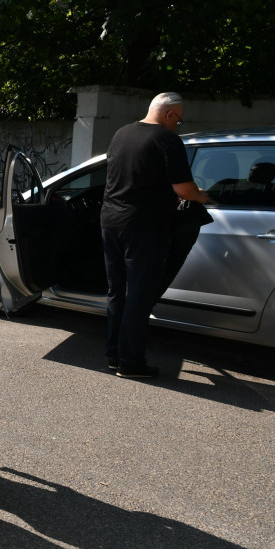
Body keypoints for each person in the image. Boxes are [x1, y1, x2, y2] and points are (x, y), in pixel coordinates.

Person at [101, 92, 209, 379]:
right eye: (179, 120)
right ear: (170, 114)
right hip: (144, 227)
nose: (178, 126)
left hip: (111, 222)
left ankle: (113, 355)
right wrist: (202, 196)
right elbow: (184, 189)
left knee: (117, 293)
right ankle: (131, 363)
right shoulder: (167, 140)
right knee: (139, 295)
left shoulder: (121, 134)